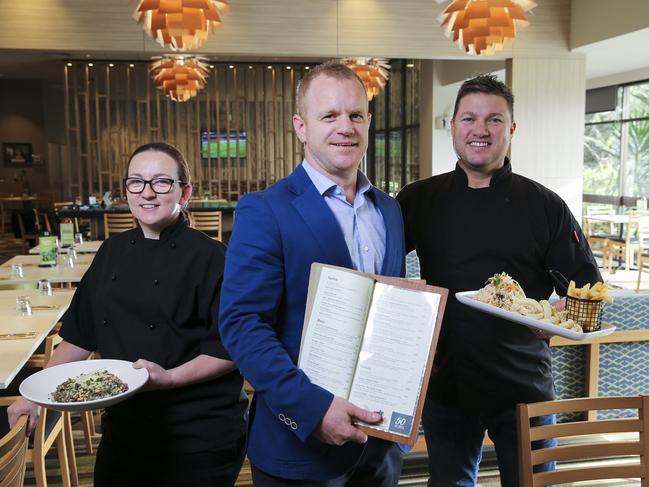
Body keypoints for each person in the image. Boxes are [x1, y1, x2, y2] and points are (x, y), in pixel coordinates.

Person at [396, 74, 602, 487]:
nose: (480, 130)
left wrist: (548, 321)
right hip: (447, 384)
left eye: (494, 120)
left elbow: (586, 292)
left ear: (510, 129)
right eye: (469, 118)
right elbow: (379, 269)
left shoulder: (544, 205)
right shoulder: (419, 199)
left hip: (524, 385)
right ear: (452, 126)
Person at [8, 142, 248, 487]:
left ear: (186, 192)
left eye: (161, 182)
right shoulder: (111, 252)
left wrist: (169, 378)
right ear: (126, 191)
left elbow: (231, 349)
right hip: (125, 425)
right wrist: (33, 397)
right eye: (137, 181)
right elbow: (79, 335)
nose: (147, 193)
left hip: (199, 431)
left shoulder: (214, 258)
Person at [218, 61, 405, 485]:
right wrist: (313, 409)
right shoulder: (265, 209)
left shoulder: (390, 210)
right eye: (329, 116)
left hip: (379, 442)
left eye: (356, 115)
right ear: (301, 126)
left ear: (369, 122)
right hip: (300, 445)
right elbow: (242, 324)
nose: (346, 127)